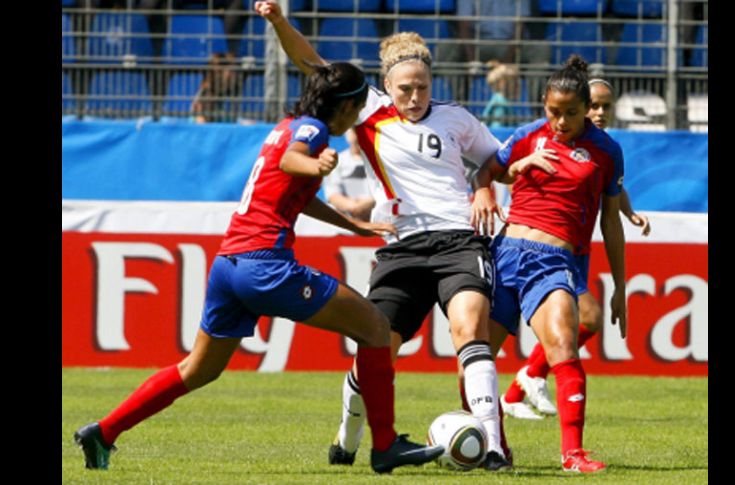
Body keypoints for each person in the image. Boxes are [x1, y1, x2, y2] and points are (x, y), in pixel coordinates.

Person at [73, 61, 444, 475]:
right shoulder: (313, 131)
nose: (356, 118)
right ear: (346, 106)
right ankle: (385, 445)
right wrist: (316, 165)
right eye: (357, 109)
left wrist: (351, 224)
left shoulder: (286, 124)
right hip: (265, 266)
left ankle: (103, 431)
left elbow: (293, 189)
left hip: (228, 265)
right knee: (376, 327)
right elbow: (292, 162)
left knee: (198, 369)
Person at [254, 0, 513, 471]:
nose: (414, 97)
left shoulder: (457, 118)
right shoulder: (368, 110)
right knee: (377, 348)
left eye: (422, 87)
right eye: (405, 89)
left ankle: (492, 447)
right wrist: (278, 21)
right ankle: (348, 434)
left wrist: (484, 188)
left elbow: (497, 162)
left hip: (460, 239)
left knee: (469, 329)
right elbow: (312, 64)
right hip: (401, 247)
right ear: (386, 87)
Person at [471, 55, 627, 473]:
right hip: (504, 254)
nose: (561, 122)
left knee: (563, 344)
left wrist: (621, 289)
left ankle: (572, 454)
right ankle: (494, 447)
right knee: (477, 356)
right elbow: (488, 171)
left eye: (571, 114)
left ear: (586, 108)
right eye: (554, 112)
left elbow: (610, 221)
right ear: (544, 103)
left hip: (552, 261)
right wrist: (484, 191)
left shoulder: (606, 151)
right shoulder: (526, 136)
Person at [498, 77, 651, 420]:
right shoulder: (538, 135)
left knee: (587, 322)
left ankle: (521, 385)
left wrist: (627, 211)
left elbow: (607, 192)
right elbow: (495, 170)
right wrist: (510, 172)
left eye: (605, 106)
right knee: (585, 321)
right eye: (594, 106)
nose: (599, 113)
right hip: (540, 251)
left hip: (575, 252)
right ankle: (527, 380)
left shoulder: (606, 150)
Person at [323, 129, 375, 221]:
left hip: (379, 220)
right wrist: (354, 207)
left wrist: (371, 202)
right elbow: (333, 195)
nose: (359, 137)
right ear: (348, 135)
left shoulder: (379, 162)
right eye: (355, 132)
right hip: (347, 224)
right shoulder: (336, 162)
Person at [192, 52, 241, 123]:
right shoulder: (208, 92)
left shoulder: (226, 88)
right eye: (231, 71)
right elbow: (200, 117)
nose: (234, 74)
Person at [482, 61, 521, 128]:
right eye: (514, 80)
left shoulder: (500, 100)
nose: (518, 84)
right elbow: (498, 129)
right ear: (502, 84)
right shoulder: (500, 105)